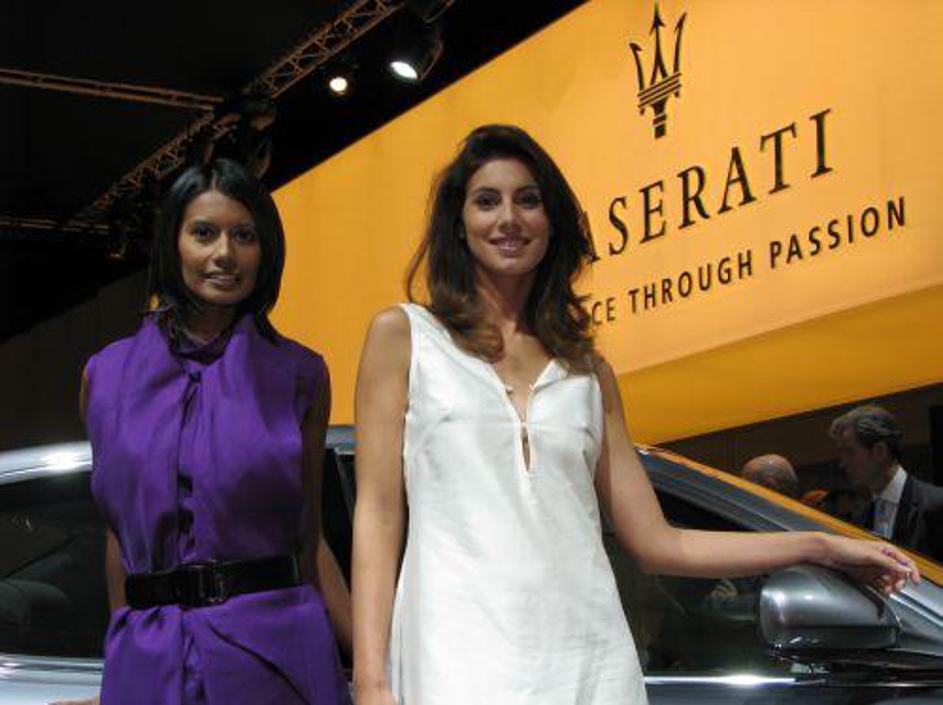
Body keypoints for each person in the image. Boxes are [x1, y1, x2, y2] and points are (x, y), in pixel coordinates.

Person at [351, 125, 919, 705]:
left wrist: (819, 546)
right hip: (454, 659)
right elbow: (377, 515)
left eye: (528, 200)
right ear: (458, 221)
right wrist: (372, 683)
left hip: (588, 664)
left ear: (553, 221)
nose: (509, 219)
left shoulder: (585, 371)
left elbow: (658, 543)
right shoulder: (406, 337)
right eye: (487, 201)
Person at [69, 159, 351, 705]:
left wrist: (373, 668)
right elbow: (118, 536)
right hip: (150, 663)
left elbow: (308, 536)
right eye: (204, 233)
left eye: (244, 236)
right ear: (173, 245)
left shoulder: (299, 374)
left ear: (265, 251)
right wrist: (122, 658)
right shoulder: (104, 376)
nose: (225, 253)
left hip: (273, 659)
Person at [831, 403, 943, 560]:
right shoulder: (860, 519)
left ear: (879, 451)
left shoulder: (937, 504)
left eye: (850, 451)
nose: (842, 463)